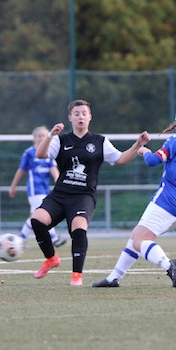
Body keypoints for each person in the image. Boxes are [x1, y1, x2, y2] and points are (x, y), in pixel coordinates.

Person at [92, 102, 176, 288]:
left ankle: (168, 265)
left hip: (167, 201)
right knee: (136, 237)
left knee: (140, 240)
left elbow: (153, 161)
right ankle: (113, 278)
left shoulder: (175, 141)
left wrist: (144, 151)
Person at [31, 99, 151, 286]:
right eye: (76, 114)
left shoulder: (99, 141)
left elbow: (121, 159)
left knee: (78, 228)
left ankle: (76, 275)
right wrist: (50, 135)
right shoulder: (61, 140)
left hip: (83, 196)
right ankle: (51, 259)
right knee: (37, 220)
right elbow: (40, 154)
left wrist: (137, 145)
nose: (81, 117)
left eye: (84, 113)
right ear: (70, 118)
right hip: (60, 194)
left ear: (90, 117)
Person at [8, 126, 65, 248]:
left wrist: (60, 183)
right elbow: (20, 170)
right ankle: (54, 239)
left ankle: (20, 240)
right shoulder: (29, 153)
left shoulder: (49, 153)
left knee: (35, 215)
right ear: (34, 138)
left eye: (44, 136)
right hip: (34, 190)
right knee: (44, 213)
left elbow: (54, 171)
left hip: (45, 189)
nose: (41, 138)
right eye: (39, 136)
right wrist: (13, 186)